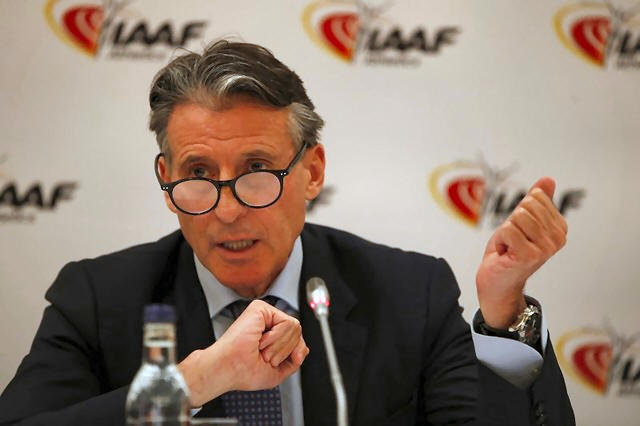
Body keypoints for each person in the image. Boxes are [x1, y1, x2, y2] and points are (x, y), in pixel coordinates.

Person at [0, 40, 574, 425]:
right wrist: (193, 382)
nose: (228, 210)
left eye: (257, 170)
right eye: (198, 174)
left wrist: (503, 315)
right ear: (166, 179)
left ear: (312, 171)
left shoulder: (409, 292)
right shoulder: (98, 299)